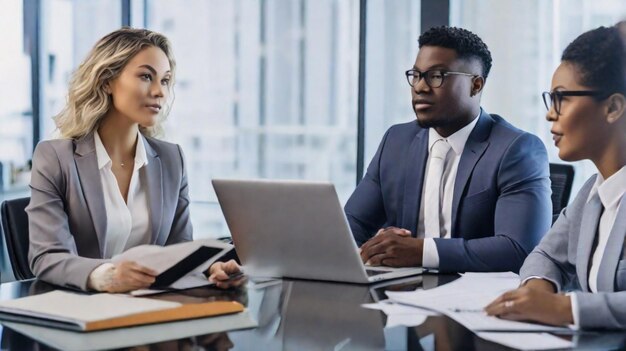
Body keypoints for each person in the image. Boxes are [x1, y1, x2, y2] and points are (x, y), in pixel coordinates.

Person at [27, 28, 242, 292]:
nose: (159, 91)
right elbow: (46, 257)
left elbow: (179, 250)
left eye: (165, 80)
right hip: (80, 311)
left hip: (149, 310)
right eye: (145, 76)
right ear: (107, 80)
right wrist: (106, 276)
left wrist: (210, 268)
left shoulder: (171, 159)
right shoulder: (55, 158)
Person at [345, 26, 552, 273]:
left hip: (476, 299)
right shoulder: (396, 141)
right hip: (400, 291)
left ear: (476, 85)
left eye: (436, 76)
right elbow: (351, 225)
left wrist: (421, 251)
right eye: (416, 75)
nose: (420, 87)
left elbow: (519, 249)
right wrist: (372, 249)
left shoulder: (516, 150)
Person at [485, 24, 626, 329]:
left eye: (561, 98)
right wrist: (537, 291)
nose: (551, 113)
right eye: (550, 99)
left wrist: (563, 308)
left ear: (613, 107)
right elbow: (546, 254)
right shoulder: (593, 193)